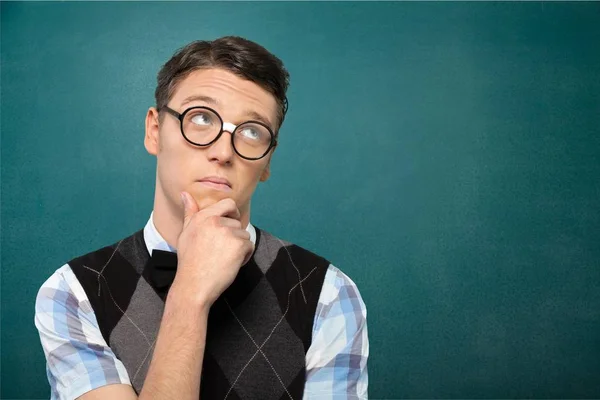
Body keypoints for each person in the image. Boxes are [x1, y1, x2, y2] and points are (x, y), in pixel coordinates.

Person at [34, 36, 368, 400]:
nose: (224, 151)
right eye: (201, 118)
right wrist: (190, 294)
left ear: (268, 161)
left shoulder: (329, 295)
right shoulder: (73, 293)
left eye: (252, 131)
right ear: (155, 131)